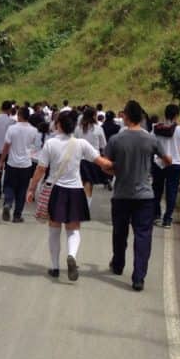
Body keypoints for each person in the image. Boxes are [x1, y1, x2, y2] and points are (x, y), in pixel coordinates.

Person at [28, 110, 113, 281]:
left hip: (56, 190)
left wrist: (31, 188)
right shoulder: (81, 143)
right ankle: (72, 256)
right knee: (73, 229)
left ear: (58, 124)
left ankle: (54, 266)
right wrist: (122, 167)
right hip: (75, 190)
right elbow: (101, 162)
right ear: (74, 127)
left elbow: (41, 169)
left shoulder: (50, 144)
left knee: (54, 228)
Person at [103, 100, 172, 291]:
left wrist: (116, 171)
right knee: (143, 236)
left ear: (125, 116)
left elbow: (107, 166)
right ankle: (139, 276)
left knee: (119, 232)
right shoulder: (151, 139)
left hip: (122, 194)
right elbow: (167, 160)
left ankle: (118, 264)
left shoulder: (116, 139)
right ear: (141, 118)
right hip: (144, 196)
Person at [152, 103, 180, 228]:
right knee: (171, 192)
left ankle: (156, 216)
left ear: (165, 114)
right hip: (174, 164)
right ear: (176, 115)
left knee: (156, 190)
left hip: (159, 163)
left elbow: (150, 142)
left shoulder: (156, 127)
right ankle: (167, 219)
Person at [0, 105, 37, 222]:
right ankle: (17, 215)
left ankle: (8, 203)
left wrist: (1, 161)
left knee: (9, 185)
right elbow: (33, 147)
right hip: (26, 164)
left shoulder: (12, 128)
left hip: (12, 163)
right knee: (22, 189)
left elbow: (6, 146)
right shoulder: (34, 130)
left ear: (19, 115)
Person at [74, 105, 107, 205]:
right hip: (93, 159)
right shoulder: (98, 129)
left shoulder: (78, 128)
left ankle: (79, 204)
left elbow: (74, 142)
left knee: (80, 182)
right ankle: (86, 206)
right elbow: (103, 145)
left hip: (79, 158)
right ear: (93, 116)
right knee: (89, 183)